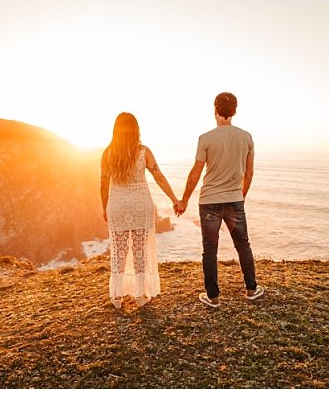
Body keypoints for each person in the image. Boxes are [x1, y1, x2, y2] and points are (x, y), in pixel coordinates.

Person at [176, 92, 265, 308]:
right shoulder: (246, 137)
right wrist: (240, 197)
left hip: (209, 201)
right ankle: (252, 289)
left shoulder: (205, 139)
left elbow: (195, 174)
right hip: (234, 200)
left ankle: (213, 297)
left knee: (210, 249)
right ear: (234, 111)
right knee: (243, 245)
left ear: (215, 110)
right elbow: (249, 174)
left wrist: (184, 200)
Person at [100, 113, 181, 309]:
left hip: (117, 205)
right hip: (140, 205)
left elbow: (103, 184)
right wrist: (174, 199)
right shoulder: (144, 152)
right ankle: (139, 295)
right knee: (139, 250)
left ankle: (117, 297)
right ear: (136, 130)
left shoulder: (108, 153)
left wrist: (105, 207)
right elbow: (159, 177)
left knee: (119, 250)